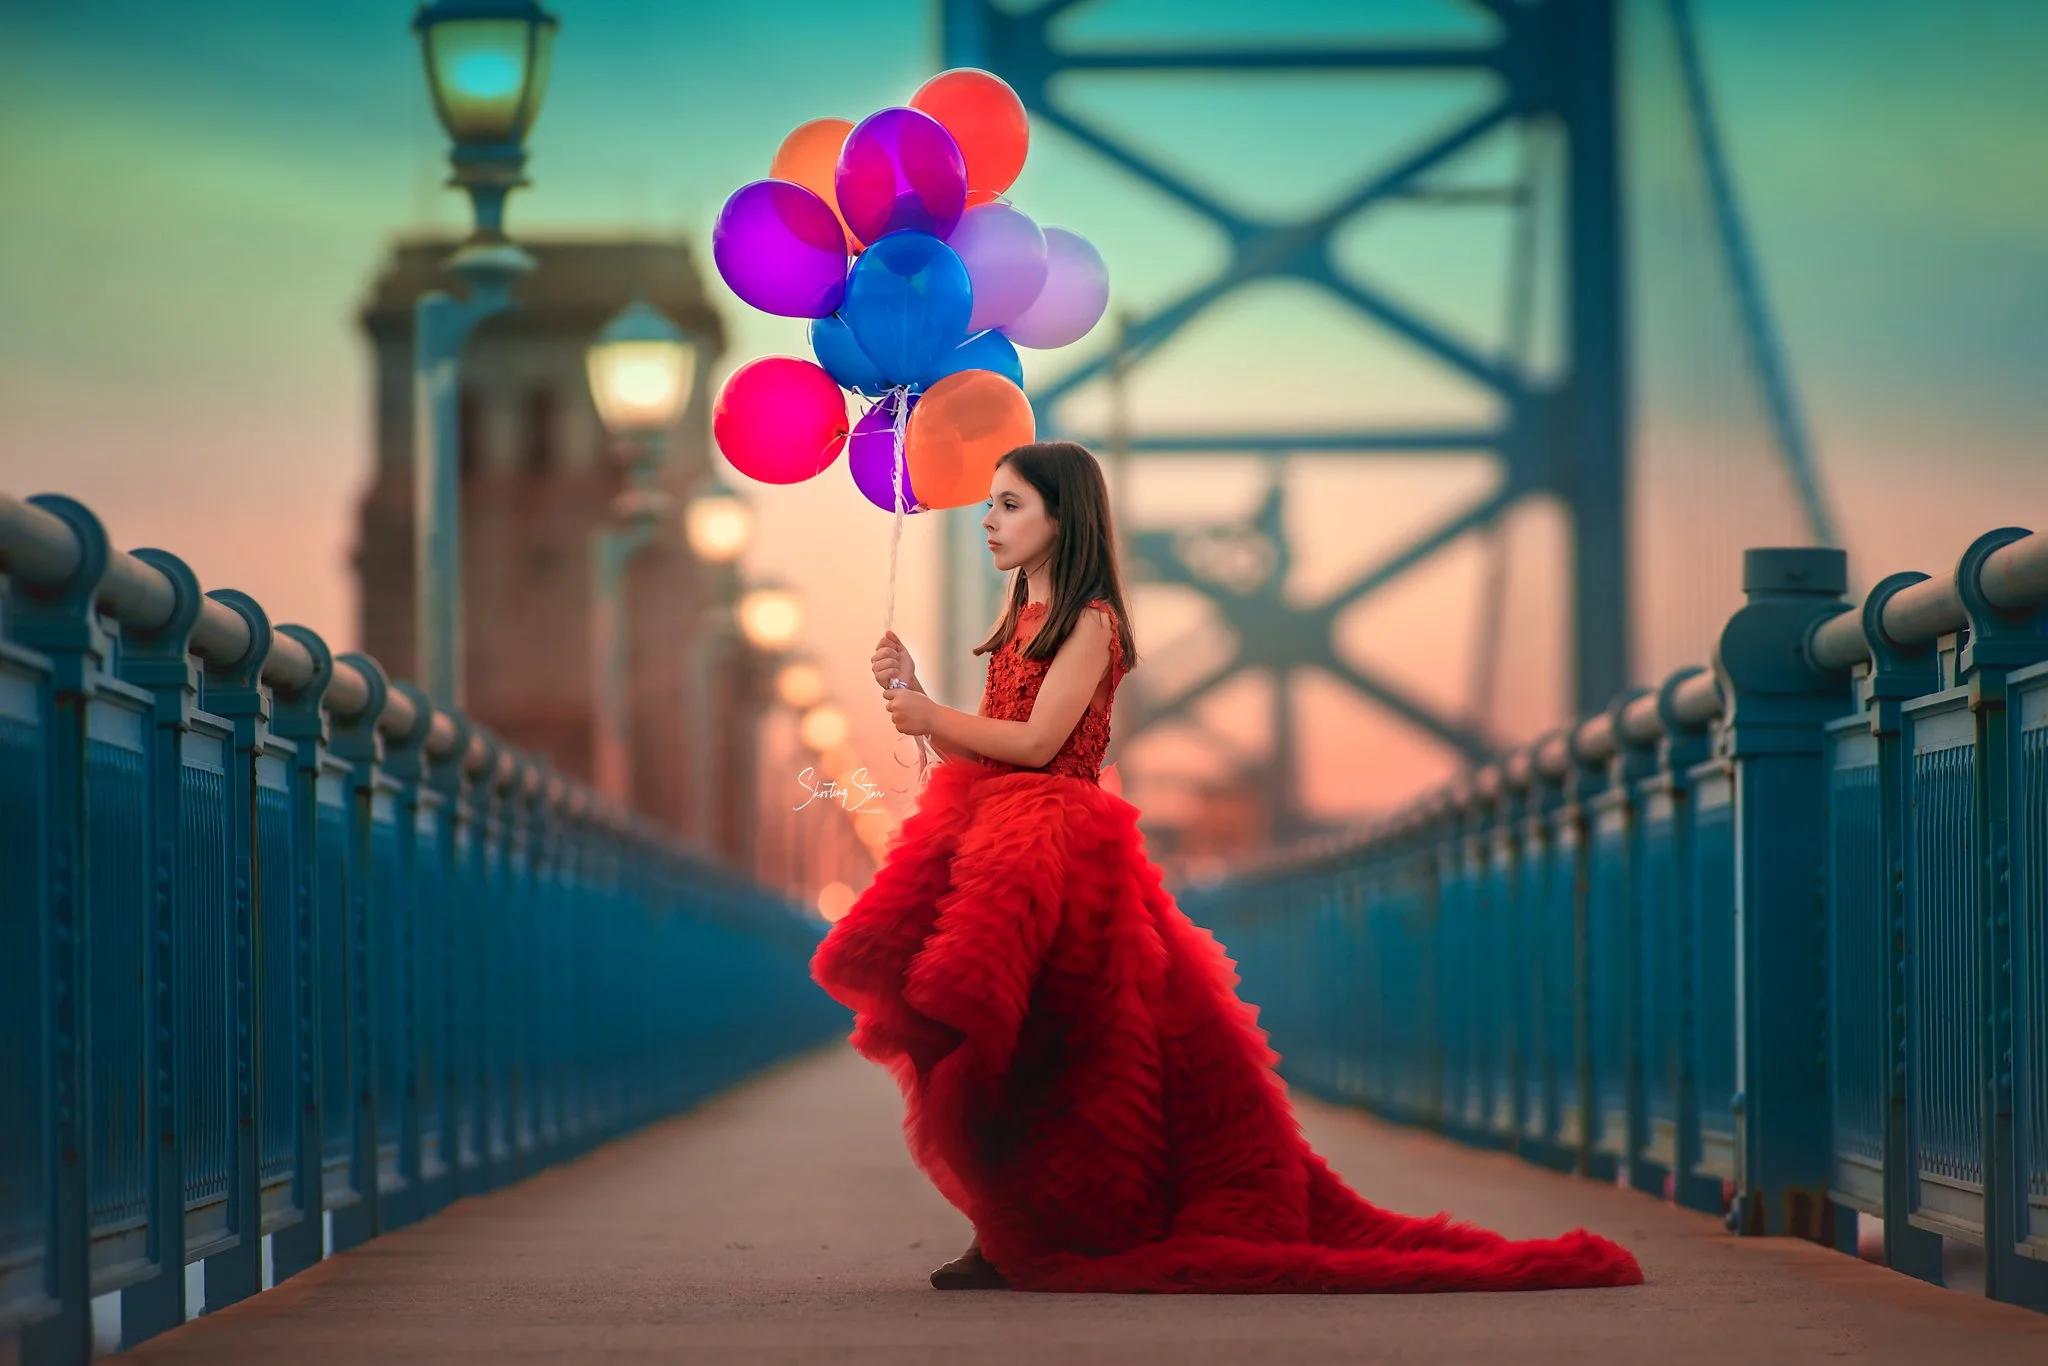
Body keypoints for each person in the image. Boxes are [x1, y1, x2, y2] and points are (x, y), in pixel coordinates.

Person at [808, 441, 1643, 1295]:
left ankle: (1045, 1233)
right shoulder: (1018, 623)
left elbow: (1037, 745)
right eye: (989, 503)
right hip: (996, 840)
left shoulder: (1093, 622)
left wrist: (930, 708)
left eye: (1012, 504)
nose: (989, 519)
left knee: (1060, 1048)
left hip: (1058, 854)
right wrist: (916, 699)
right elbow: (983, 742)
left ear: (1067, 518)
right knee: (1002, 1049)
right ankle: (1009, 1230)